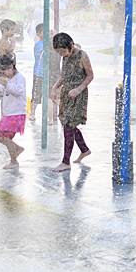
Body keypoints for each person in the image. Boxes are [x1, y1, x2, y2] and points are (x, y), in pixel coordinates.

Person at [50, 33, 94, 172]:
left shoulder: (82, 56)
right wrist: (55, 87)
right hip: (66, 94)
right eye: (58, 52)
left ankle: (65, 162)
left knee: (69, 126)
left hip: (78, 95)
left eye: (63, 51)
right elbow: (64, 75)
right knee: (69, 124)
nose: (61, 54)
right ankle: (84, 150)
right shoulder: (65, 57)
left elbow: (90, 75)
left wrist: (78, 89)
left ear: (71, 45)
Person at [0, 54, 27, 169]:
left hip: (17, 113)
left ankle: (14, 161)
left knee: (4, 137)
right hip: (7, 113)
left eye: (3, 72)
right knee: (0, 137)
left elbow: (18, 92)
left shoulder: (20, 78)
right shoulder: (6, 79)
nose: (2, 75)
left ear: (11, 67)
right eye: (0, 73)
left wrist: (6, 83)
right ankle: (16, 149)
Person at [0, 18, 16, 113]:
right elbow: (4, 56)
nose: (14, 32)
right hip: (3, 72)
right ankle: (4, 113)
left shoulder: (5, 41)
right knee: (4, 94)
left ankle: (3, 112)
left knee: (3, 95)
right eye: (12, 30)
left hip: (3, 70)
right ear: (5, 30)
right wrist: (12, 45)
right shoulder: (3, 42)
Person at [111, 0, 126, 65]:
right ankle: (115, 59)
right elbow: (114, 15)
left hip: (123, 28)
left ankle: (124, 59)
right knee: (116, 44)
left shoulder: (127, 6)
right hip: (116, 28)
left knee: (124, 44)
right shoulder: (116, 5)